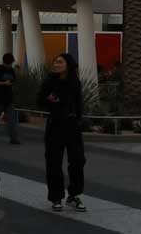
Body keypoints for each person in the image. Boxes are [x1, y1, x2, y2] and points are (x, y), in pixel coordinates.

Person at [38, 53, 87, 213]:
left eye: (60, 62)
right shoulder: (49, 82)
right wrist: (52, 100)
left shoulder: (74, 82)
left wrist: (79, 119)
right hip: (55, 125)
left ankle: (73, 195)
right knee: (53, 161)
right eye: (55, 61)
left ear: (68, 65)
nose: (56, 64)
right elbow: (41, 101)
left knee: (78, 160)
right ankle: (56, 196)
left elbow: (79, 102)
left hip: (72, 126)